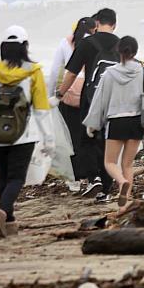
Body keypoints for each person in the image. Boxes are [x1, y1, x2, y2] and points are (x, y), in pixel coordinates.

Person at [0, 26, 53, 237]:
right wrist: (48, 139)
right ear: (25, 47)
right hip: (24, 133)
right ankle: (2, 213)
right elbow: (41, 108)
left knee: (3, 177)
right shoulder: (34, 71)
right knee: (16, 178)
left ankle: (8, 223)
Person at [57, 8, 119, 202]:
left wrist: (60, 93)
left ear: (96, 23)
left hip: (90, 99)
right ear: (114, 24)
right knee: (107, 142)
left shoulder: (86, 43)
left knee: (87, 139)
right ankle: (105, 191)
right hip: (114, 100)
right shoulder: (121, 44)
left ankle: (94, 178)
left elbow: (72, 73)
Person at [83, 36, 144, 208]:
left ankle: (120, 182)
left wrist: (93, 124)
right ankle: (125, 202)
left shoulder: (109, 73)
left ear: (118, 52)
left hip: (116, 122)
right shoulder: (143, 71)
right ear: (135, 52)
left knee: (109, 162)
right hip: (136, 121)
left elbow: (100, 101)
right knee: (128, 164)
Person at [48, 17, 96, 190]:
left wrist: (51, 95)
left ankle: (73, 179)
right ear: (94, 29)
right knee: (89, 138)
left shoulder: (64, 43)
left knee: (69, 138)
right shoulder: (94, 43)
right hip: (90, 97)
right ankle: (92, 177)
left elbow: (55, 70)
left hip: (68, 96)